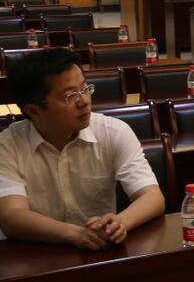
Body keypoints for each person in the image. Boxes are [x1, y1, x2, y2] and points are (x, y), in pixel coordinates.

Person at [0, 48, 164, 249]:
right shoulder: (8, 145)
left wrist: (121, 223)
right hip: (34, 254)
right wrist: (75, 234)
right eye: (70, 96)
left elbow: (152, 197)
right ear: (33, 111)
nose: (85, 101)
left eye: (85, 89)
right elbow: (12, 216)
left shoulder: (113, 132)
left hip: (101, 251)